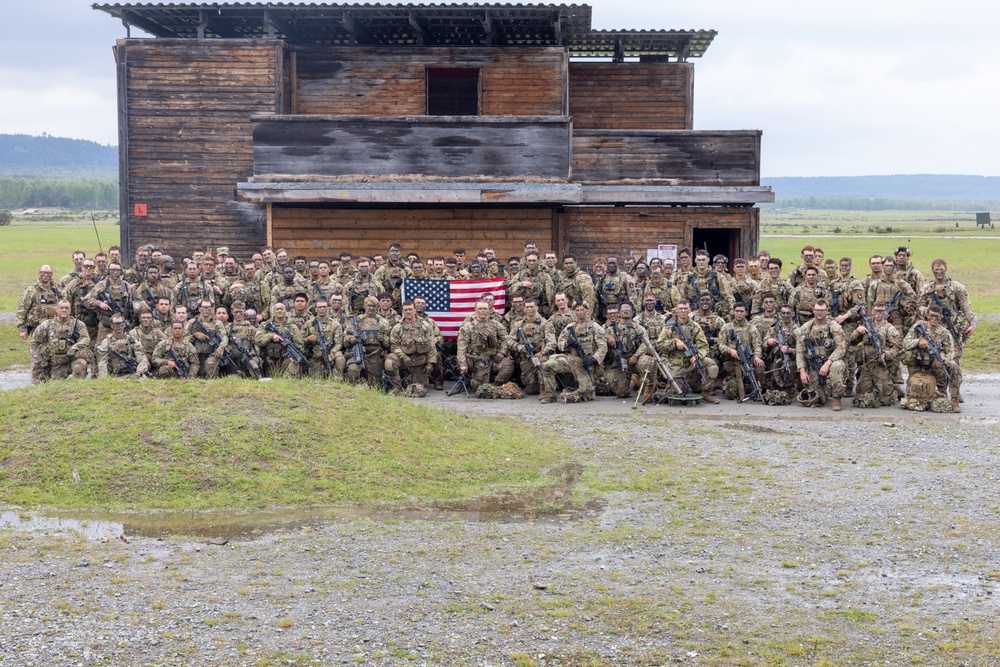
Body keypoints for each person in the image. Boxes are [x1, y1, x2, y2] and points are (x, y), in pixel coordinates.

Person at [917, 258, 976, 404]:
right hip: (933, 331)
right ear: (932, 270)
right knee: (935, 360)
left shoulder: (956, 288)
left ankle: (955, 392)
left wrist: (973, 323)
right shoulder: (927, 289)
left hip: (951, 330)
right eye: (936, 270)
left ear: (946, 269)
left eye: (941, 269)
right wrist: (930, 312)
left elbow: (966, 307)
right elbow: (919, 307)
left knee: (953, 362)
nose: (939, 272)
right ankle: (940, 392)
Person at [540, 300, 606, 403]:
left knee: (587, 393)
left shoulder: (595, 327)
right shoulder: (570, 327)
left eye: (582, 310)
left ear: (587, 310)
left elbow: (603, 348)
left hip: (585, 363)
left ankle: (574, 393)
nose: (580, 312)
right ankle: (550, 395)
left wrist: (593, 360)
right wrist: (567, 343)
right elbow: (560, 344)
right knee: (547, 366)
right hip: (571, 359)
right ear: (574, 311)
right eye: (577, 310)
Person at [654, 301, 719, 404]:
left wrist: (697, 356)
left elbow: (704, 346)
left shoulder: (695, 326)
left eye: (685, 308)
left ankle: (705, 393)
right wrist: (674, 342)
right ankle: (662, 391)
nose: (683, 311)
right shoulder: (669, 326)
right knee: (672, 394)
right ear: (676, 310)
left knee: (712, 366)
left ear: (689, 310)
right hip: (676, 361)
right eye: (681, 309)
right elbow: (660, 345)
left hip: (692, 359)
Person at [903, 304, 960, 412]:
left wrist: (943, 360)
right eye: (931, 316)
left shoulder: (944, 333)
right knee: (916, 398)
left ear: (941, 317)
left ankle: (955, 400)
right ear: (927, 316)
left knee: (953, 365)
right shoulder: (918, 327)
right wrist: (918, 342)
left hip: (935, 367)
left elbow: (951, 352)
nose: (934, 319)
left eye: (937, 317)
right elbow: (905, 344)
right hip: (918, 365)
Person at [795, 299, 847, 411]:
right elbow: (800, 351)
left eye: (822, 310)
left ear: (827, 311)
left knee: (836, 366)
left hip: (831, 362)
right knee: (817, 399)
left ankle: (837, 398)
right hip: (814, 365)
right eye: (817, 310)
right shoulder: (805, 328)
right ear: (813, 310)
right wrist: (802, 371)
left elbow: (841, 348)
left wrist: (828, 363)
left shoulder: (834, 327)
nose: (820, 313)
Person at [496, 298, 553, 395]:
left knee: (544, 366)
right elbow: (509, 340)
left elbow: (552, 342)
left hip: (541, 356)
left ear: (537, 308)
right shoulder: (518, 324)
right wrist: (519, 347)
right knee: (531, 390)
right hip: (526, 358)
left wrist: (542, 353)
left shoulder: (546, 324)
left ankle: (547, 389)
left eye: (532, 307)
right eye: (527, 307)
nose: (529, 309)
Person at [850, 301, 902, 406]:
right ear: (872, 311)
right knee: (861, 398)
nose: (879, 313)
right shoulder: (866, 325)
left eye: (881, 311)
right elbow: (852, 342)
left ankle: (895, 390)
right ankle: (874, 388)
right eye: (877, 311)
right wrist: (857, 331)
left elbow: (897, 348)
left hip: (881, 367)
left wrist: (885, 354)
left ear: (886, 312)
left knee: (886, 401)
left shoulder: (889, 328)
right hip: (866, 367)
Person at [29, 300, 92, 382]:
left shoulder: (78, 324)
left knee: (78, 367)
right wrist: (40, 359)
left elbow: (86, 339)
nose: (64, 310)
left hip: (71, 359)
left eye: (66, 308)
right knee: (48, 380)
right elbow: (34, 343)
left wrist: (74, 347)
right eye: (61, 308)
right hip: (54, 361)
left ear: (70, 310)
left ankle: (77, 387)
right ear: (57, 309)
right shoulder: (46, 325)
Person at [457, 300, 508, 390]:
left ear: (489, 310)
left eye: (485, 308)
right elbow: (461, 347)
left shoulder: (496, 325)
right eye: (480, 308)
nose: (483, 311)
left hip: (493, 358)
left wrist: (502, 353)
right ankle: (480, 382)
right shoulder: (467, 327)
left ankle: (495, 387)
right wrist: (463, 363)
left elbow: (506, 340)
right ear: (475, 310)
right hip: (477, 360)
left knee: (507, 366)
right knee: (479, 387)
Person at [389, 300, 438, 390]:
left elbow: (432, 346)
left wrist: (430, 363)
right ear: (403, 312)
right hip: (403, 359)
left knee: (419, 388)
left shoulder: (425, 326)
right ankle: (396, 387)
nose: (408, 312)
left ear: (415, 310)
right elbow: (394, 346)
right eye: (406, 310)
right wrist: (404, 357)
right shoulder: (397, 328)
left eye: (410, 309)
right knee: (390, 362)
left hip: (419, 360)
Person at [185, 299, 229, 379]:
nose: (206, 310)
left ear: (212, 309)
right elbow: (184, 339)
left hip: (211, 354)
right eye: (204, 307)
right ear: (199, 309)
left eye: (208, 307)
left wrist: (221, 347)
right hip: (194, 355)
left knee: (210, 365)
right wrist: (195, 335)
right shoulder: (192, 322)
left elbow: (225, 337)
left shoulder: (217, 323)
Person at [16, 265, 62, 340]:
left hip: (55, 327)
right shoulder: (31, 290)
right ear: (39, 273)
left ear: (52, 274)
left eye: (48, 273)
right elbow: (22, 309)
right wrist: (22, 329)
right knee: (37, 350)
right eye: (43, 273)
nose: (46, 275)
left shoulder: (57, 290)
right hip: (37, 328)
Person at [97, 313, 150, 378]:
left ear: (124, 324)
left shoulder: (132, 340)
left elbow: (142, 358)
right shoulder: (107, 342)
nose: (118, 326)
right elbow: (102, 362)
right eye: (116, 324)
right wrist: (104, 378)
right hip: (114, 375)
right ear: (111, 326)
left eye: (120, 324)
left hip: (132, 373)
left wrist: (138, 373)